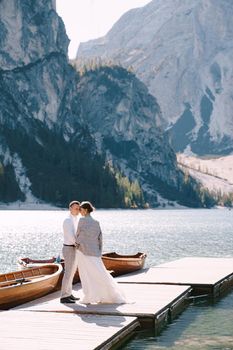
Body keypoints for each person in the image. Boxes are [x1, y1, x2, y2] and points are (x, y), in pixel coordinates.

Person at [75, 201, 127, 304]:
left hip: (83, 251)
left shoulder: (82, 220)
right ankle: (112, 294)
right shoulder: (96, 222)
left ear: (85, 210)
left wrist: (76, 244)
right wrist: (99, 251)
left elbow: (79, 236)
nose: (80, 212)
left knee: (86, 274)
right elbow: (100, 238)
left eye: (80, 210)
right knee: (100, 272)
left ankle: (89, 296)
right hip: (95, 252)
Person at [60, 200, 80, 304]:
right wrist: (79, 245)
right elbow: (70, 237)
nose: (78, 210)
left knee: (72, 273)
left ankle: (69, 293)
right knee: (68, 272)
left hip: (74, 248)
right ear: (70, 208)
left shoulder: (75, 219)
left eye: (78, 208)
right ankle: (64, 296)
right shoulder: (67, 220)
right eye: (76, 208)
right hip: (69, 248)